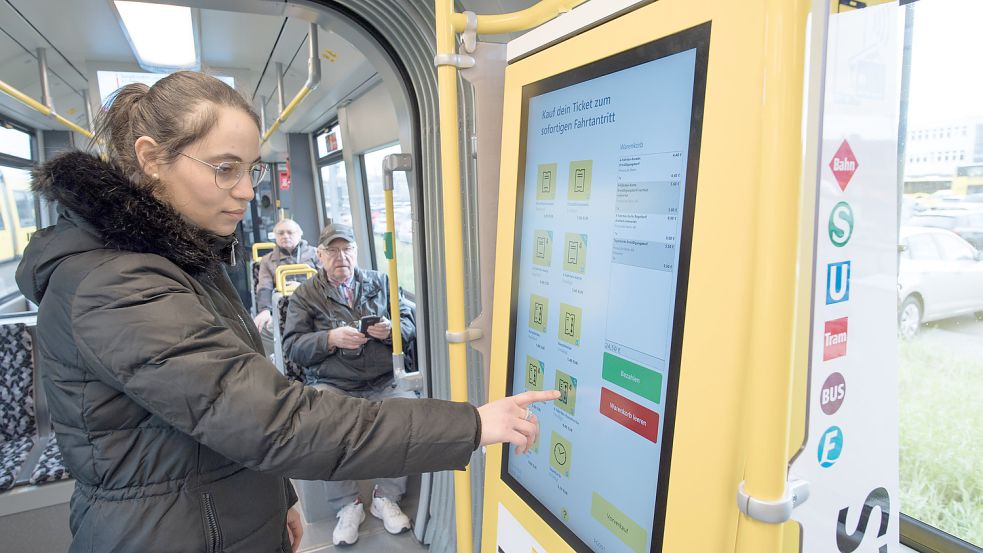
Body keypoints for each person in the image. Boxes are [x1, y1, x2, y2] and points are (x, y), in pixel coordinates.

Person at [17, 71, 556, 553]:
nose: (248, 191)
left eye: (251, 169)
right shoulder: (113, 285)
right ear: (152, 158)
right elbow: (274, 420)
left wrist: (279, 501)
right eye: (226, 169)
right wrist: (471, 424)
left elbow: (221, 409)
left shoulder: (182, 259)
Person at [282, 223, 416, 545]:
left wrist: (391, 330)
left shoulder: (381, 282)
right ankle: (348, 504)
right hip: (333, 381)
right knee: (322, 421)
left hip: (383, 378)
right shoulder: (305, 296)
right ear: (319, 255)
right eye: (332, 250)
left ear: (356, 252)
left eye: (347, 249)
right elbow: (293, 347)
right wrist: (330, 338)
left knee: (406, 411)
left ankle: (386, 497)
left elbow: (410, 324)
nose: (341, 256)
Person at [252, 219, 318, 353]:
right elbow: (264, 287)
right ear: (275, 236)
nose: (285, 236)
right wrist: (265, 310)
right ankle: (277, 362)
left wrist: (301, 287)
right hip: (284, 310)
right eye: (280, 233)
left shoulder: (315, 254)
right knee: (263, 327)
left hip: (314, 304)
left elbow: (326, 280)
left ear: (300, 234)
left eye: (290, 232)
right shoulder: (267, 260)